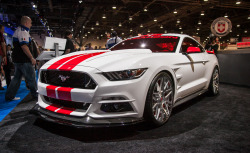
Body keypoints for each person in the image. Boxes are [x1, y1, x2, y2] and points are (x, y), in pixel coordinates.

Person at [5, 16, 38, 101]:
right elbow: (24, 46)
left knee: (16, 78)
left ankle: (9, 96)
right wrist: (31, 58)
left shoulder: (19, 30)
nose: (31, 25)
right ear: (26, 23)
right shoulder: (23, 32)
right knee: (31, 78)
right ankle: (36, 96)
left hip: (18, 60)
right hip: (24, 60)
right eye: (30, 23)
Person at [0, 24, 7, 90]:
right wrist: (4, 55)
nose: (3, 30)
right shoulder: (0, 34)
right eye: (3, 29)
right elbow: (2, 44)